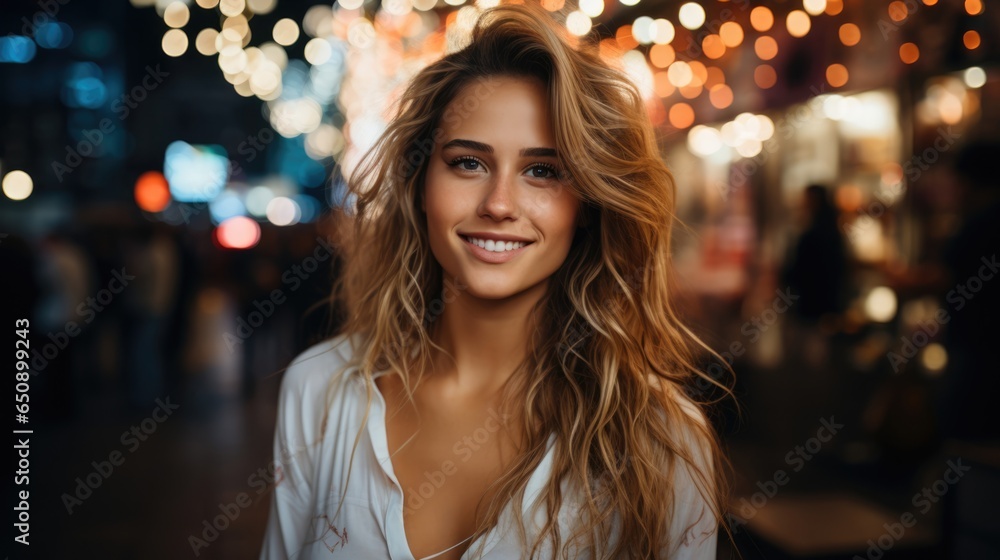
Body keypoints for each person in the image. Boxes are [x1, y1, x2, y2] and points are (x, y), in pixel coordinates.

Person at [259, 2, 730, 559]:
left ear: (587, 205)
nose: (500, 204)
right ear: (419, 184)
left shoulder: (663, 438)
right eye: (468, 163)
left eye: (543, 171)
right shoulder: (318, 390)